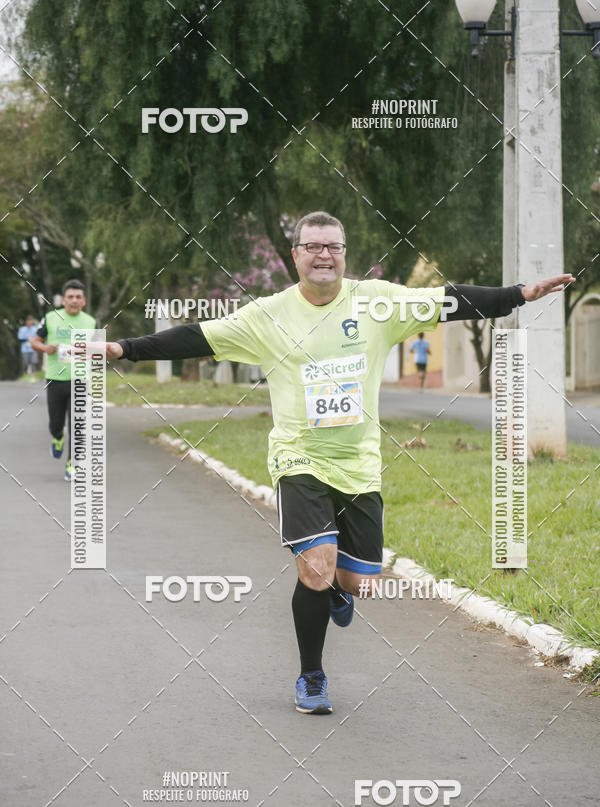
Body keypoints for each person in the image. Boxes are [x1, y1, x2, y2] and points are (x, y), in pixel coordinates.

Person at [95, 210, 574, 714]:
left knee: (357, 582)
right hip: (298, 457)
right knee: (317, 567)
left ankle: (340, 592)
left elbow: (450, 300)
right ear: (295, 255)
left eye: (333, 247)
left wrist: (518, 294)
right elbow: (197, 336)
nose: (324, 255)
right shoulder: (269, 316)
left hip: (359, 464)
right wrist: (124, 349)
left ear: (344, 254)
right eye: (313, 246)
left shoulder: (377, 303)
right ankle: (312, 677)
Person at [30, 280, 96, 481]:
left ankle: (72, 464)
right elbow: (35, 341)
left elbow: (97, 347)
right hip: (55, 379)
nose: (74, 300)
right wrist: (45, 348)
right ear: (63, 300)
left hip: (80, 379)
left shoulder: (91, 322)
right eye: (70, 297)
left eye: (78, 297)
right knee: (55, 423)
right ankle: (57, 438)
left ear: (84, 301)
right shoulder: (51, 318)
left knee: (78, 425)